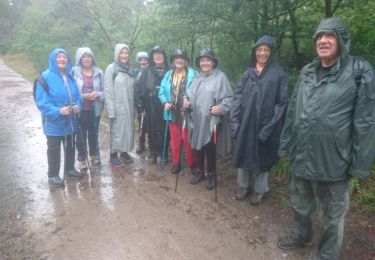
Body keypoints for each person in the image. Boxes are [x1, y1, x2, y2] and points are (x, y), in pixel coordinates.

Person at [277, 17, 375, 260]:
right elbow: (293, 109)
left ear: (341, 40)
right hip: (301, 154)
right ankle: (301, 235)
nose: (323, 40)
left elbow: (365, 122)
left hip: (334, 161)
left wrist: (360, 164)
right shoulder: (307, 71)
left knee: (332, 216)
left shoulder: (358, 72)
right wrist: (286, 143)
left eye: (329, 36)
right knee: (300, 204)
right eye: (319, 36)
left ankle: (326, 255)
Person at [230, 35, 288, 205]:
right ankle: (243, 186)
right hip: (245, 124)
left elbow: (281, 104)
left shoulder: (278, 75)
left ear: (271, 53)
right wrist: (235, 124)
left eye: (266, 50)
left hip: (265, 126)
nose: (262, 53)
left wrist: (268, 128)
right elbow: (236, 99)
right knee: (242, 155)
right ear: (255, 52)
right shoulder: (247, 74)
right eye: (259, 50)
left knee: (262, 158)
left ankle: (260, 190)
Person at [184, 48, 233, 190]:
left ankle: (211, 173)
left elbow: (229, 98)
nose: (204, 63)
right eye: (202, 60)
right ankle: (200, 171)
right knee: (198, 145)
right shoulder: (197, 78)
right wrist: (186, 101)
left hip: (212, 120)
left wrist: (221, 108)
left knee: (209, 146)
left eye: (207, 60)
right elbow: (188, 95)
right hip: (197, 119)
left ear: (213, 62)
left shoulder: (220, 77)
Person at [35, 48, 82, 187]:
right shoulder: (45, 77)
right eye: (59, 57)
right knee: (54, 149)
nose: (62, 59)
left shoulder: (70, 76)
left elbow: (77, 96)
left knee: (70, 146)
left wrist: (78, 106)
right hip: (54, 122)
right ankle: (53, 175)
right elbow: (42, 103)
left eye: (64, 57)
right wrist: (58, 111)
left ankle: (69, 168)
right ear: (53, 59)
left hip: (71, 121)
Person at [159, 49, 197, 175]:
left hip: (187, 113)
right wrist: (165, 102)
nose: (179, 60)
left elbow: (197, 93)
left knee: (187, 140)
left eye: (182, 58)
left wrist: (190, 102)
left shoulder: (194, 74)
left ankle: (193, 164)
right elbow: (162, 91)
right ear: (173, 61)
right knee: (175, 141)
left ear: (186, 61)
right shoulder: (168, 74)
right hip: (172, 112)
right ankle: (176, 163)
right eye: (177, 58)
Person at [135, 45, 169, 164]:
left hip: (166, 105)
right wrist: (140, 107)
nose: (158, 56)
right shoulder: (146, 71)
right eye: (155, 54)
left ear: (164, 56)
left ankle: (163, 153)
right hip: (150, 105)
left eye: (160, 54)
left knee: (165, 129)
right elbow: (138, 89)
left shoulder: (170, 71)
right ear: (152, 57)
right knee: (152, 129)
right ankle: (153, 153)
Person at [72, 47, 104, 171]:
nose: (87, 58)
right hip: (79, 109)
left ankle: (94, 155)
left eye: (89, 56)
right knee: (80, 135)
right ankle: (81, 159)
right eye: (84, 56)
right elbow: (70, 91)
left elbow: (104, 91)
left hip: (95, 108)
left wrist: (98, 95)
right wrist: (83, 96)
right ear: (79, 58)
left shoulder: (99, 72)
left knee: (94, 133)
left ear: (92, 58)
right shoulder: (74, 72)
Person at [104, 43, 135, 167]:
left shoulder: (130, 69)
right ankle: (113, 155)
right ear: (117, 54)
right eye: (121, 53)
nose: (124, 55)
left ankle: (124, 152)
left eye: (126, 53)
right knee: (116, 131)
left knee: (127, 131)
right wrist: (111, 109)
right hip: (117, 107)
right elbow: (108, 90)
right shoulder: (111, 69)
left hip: (129, 106)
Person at [134, 51, 149, 154]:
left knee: (150, 124)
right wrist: (139, 105)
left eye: (145, 59)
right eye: (141, 60)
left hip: (149, 101)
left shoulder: (150, 71)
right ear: (138, 61)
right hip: (138, 101)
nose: (143, 62)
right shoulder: (135, 72)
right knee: (141, 123)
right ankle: (141, 143)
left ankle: (152, 143)